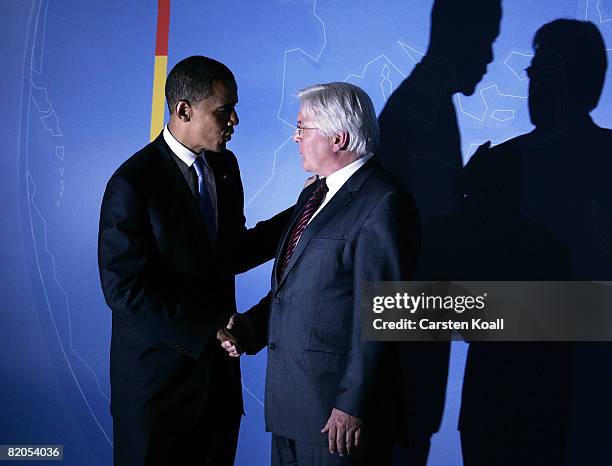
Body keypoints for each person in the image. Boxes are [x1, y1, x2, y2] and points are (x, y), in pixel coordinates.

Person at [98, 55, 293, 466]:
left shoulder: (225, 166)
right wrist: (208, 332)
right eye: (224, 110)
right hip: (157, 399)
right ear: (184, 110)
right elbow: (124, 291)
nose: (235, 120)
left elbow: (230, 253)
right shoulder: (133, 183)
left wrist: (303, 212)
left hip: (219, 393)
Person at [220, 82, 421, 466]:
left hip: (338, 420)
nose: (294, 137)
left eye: (301, 127)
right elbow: (300, 288)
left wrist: (351, 404)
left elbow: (383, 316)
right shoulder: (313, 195)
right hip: (290, 408)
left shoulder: (383, 202)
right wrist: (251, 328)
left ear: (338, 137)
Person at [460, 19, 612, 465]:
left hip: (578, 397)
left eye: (549, 69)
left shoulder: (497, 167)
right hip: (505, 399)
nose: (535, 83)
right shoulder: (495, 167)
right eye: (535, 70)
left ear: (589, 80)